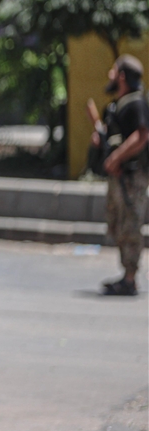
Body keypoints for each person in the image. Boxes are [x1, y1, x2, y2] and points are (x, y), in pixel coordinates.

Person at [92, 54, 149, 296]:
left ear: (122, 76)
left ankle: (130, 278)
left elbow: (141, 136)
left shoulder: (136, 103)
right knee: (117, 223)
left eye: (114, 70)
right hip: (120, 176)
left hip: (132, 177)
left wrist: (116, 158)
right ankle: (126, 275)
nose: (110, 75)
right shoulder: (118, 105)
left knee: (130, 224)